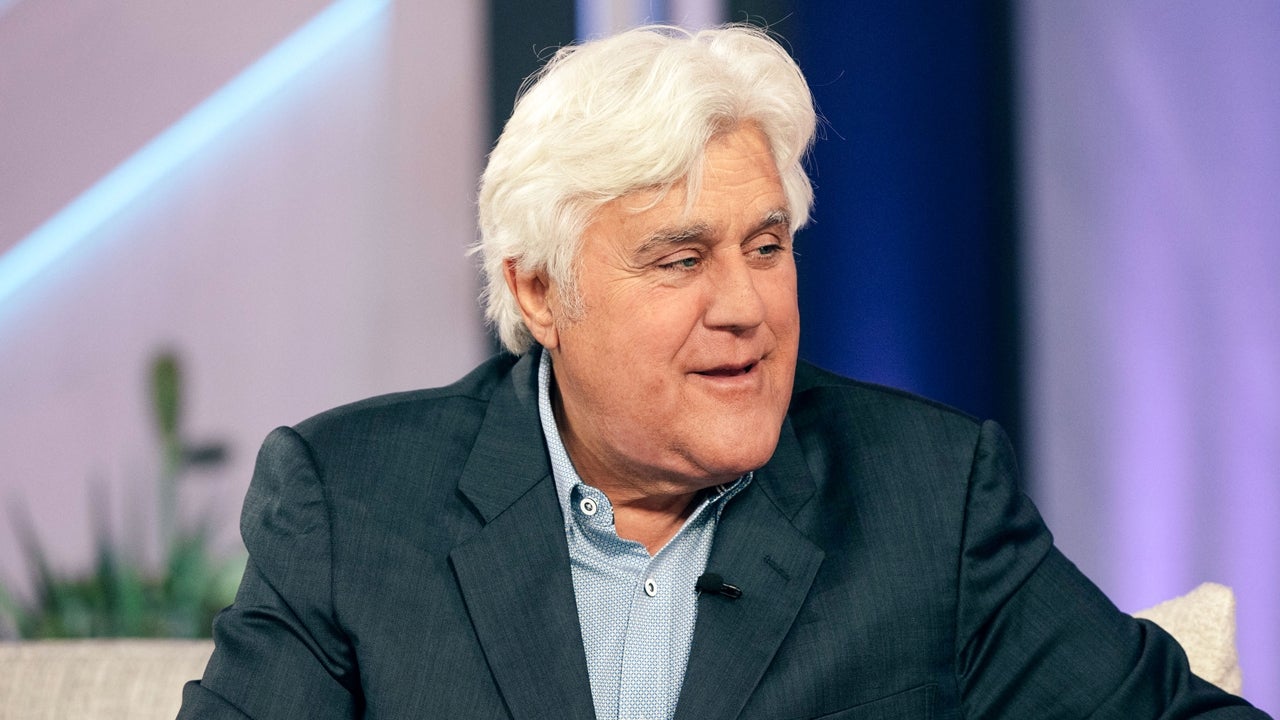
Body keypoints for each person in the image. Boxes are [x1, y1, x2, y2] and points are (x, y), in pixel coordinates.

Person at [178, 24, 1268, 720]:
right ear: (538, 291)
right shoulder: (352, 503)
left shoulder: (929, 498)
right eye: (680, 258)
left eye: (766, 246)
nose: (746, 306)